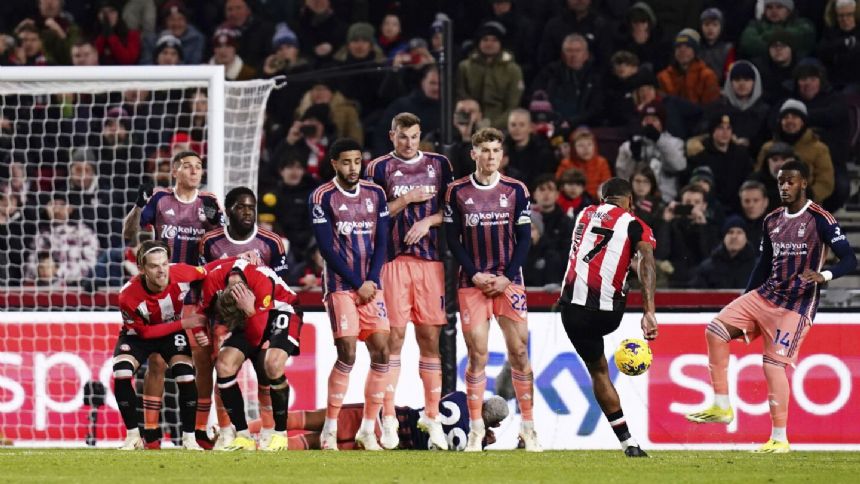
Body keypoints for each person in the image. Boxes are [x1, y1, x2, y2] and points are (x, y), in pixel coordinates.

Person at [685, 161, 857, 453]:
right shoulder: (772, 220)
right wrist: (745, 300)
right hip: (765, 295)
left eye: (790, 182)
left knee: (772, 365)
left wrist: (824, 275)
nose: (785, 187)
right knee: (715, 330)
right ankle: (722, 405)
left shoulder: (821, 218)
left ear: (803, 183)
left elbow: (850, 260)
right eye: (781, 183)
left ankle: (779, 438)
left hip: (797, 306)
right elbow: (763, 264)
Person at [443, 127, 541, 452]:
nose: (490, 157)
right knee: (478, 355)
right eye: (484, 151)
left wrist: (507, 277)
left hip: (508, 281)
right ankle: (475, 430)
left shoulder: (516, 189)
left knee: (520, 353)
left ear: (502, 155)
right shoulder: (456, 191)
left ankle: (528, 430)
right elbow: (452, 239)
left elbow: (525, 239)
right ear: (473, 154)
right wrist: (473, 274)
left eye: (496, 151)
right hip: (472, 284)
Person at [364, 113, 453, 450]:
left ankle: (431, 417)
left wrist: (429, 220)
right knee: (394, 339)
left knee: (430, 338)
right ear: (392, 136)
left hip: (430, 263)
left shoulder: (440, 165)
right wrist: (406, 200)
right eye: (403, 137)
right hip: (392, 263)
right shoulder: (377, 169)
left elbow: (455, 211)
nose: (409, 143)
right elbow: (368, 213)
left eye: (414, 137)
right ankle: (388, 418)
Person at [121, 150, 222, 448]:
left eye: (199, 167)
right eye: (188, 166)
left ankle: (199, 431)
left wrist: (219, 227)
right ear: (175, 170)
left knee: (199, 362)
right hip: (160, 293)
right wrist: (138, 207)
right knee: (156, 361)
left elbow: (219, 245)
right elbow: (130, 233)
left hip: (195, 293)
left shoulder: (210, 203)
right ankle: (151, 433)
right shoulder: (160, 200)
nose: (194, 171)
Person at [558, 177, 657, 457]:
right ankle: (630, 444)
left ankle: (628, 442)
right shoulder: (635, 223)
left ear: (603, 199)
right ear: (630, 202)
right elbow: (647, 262)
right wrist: (648, 312)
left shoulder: (584, 213)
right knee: (623, 268)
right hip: (607, 312)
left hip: (572, 310)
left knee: (599, 370)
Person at [308, 138, 391, 451]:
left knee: (382, 352)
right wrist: (359, 283)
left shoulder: (376, 194)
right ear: (334, 164)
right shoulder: (322, 197)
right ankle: (330, 426)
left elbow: (382, 242)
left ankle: (369, 429)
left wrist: (371, 280)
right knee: (348, 354)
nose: (352, 168)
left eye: (357, 161)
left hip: (371, 286)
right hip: (342, 287)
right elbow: (327, 249)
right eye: (346, 162)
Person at [198, 186, 288, 448]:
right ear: (228, 211)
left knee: (265, 371)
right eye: (241, 207)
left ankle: (268, 431)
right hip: (225, 321)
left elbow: (282, 283)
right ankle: (228, 431)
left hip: (262, 316)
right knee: (223, 370)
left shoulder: (272, 242)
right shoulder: (210, 242)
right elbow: (205, 281)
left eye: (251, 207)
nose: (248, 212)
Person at [199, 258, 303, 451]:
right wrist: (201, 332)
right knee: (224, 365)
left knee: (272, 365)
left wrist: (249, 309)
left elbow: (256, 338)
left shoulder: (261, 280)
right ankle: (243, 436)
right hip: (246, 315)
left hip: (281, 310)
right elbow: (202, 310)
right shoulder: (214, 280)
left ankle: (279, 435)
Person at [113, 240, 207, 451]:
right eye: (154, 266)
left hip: (170, 331)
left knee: (186, 375)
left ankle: (189, 438)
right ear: (142, 269)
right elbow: (145, 333)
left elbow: (211, 272)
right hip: (138, 335)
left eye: (164, 264)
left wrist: (238, 262)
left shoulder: (183, 273)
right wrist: (185, 323)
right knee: (121, 373)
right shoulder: (128, 295)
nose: (162, 270)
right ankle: (133, 437)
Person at [285, 392, 508, 451]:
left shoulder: (460, 398)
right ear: (495, 424)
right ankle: (263, 447)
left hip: (390, 418)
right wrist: (484, 441)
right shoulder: (472, 444)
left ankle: (261, 430)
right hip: (390, 443)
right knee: (312, 443)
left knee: (311, 418)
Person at [456, 21, 524, 129]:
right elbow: (461, 96)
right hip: (469, 125)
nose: (489, 44)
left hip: (502, 128)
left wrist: (491, 126)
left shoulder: (513, 70)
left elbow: (513, 106)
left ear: (501, 43)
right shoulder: (465, 67)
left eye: (494, 40)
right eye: (485, 39)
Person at [689, 216, 757, 289]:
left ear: (746, 237)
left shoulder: (758, 268)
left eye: (739, 232)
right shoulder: (707, 268)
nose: (734, 236)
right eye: (730, 232)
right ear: (724, 237)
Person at [657, 28, 721, 106]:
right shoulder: (663, 77)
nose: (682, 50)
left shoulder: (707, 76)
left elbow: (712, 108)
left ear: (695, 51)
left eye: (687, 46)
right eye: (678, 47)